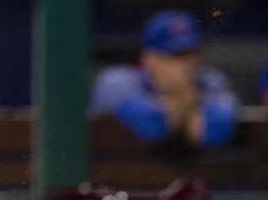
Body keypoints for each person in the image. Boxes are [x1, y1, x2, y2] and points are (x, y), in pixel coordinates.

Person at [90, 10, 238, 148]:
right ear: (149, 58)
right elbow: (152, 127)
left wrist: (174, 107)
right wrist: (183, 100)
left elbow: (214, 133)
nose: (188, 64)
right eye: (176, 55)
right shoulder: (117, 80)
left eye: (191, 54)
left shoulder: (210, 80)